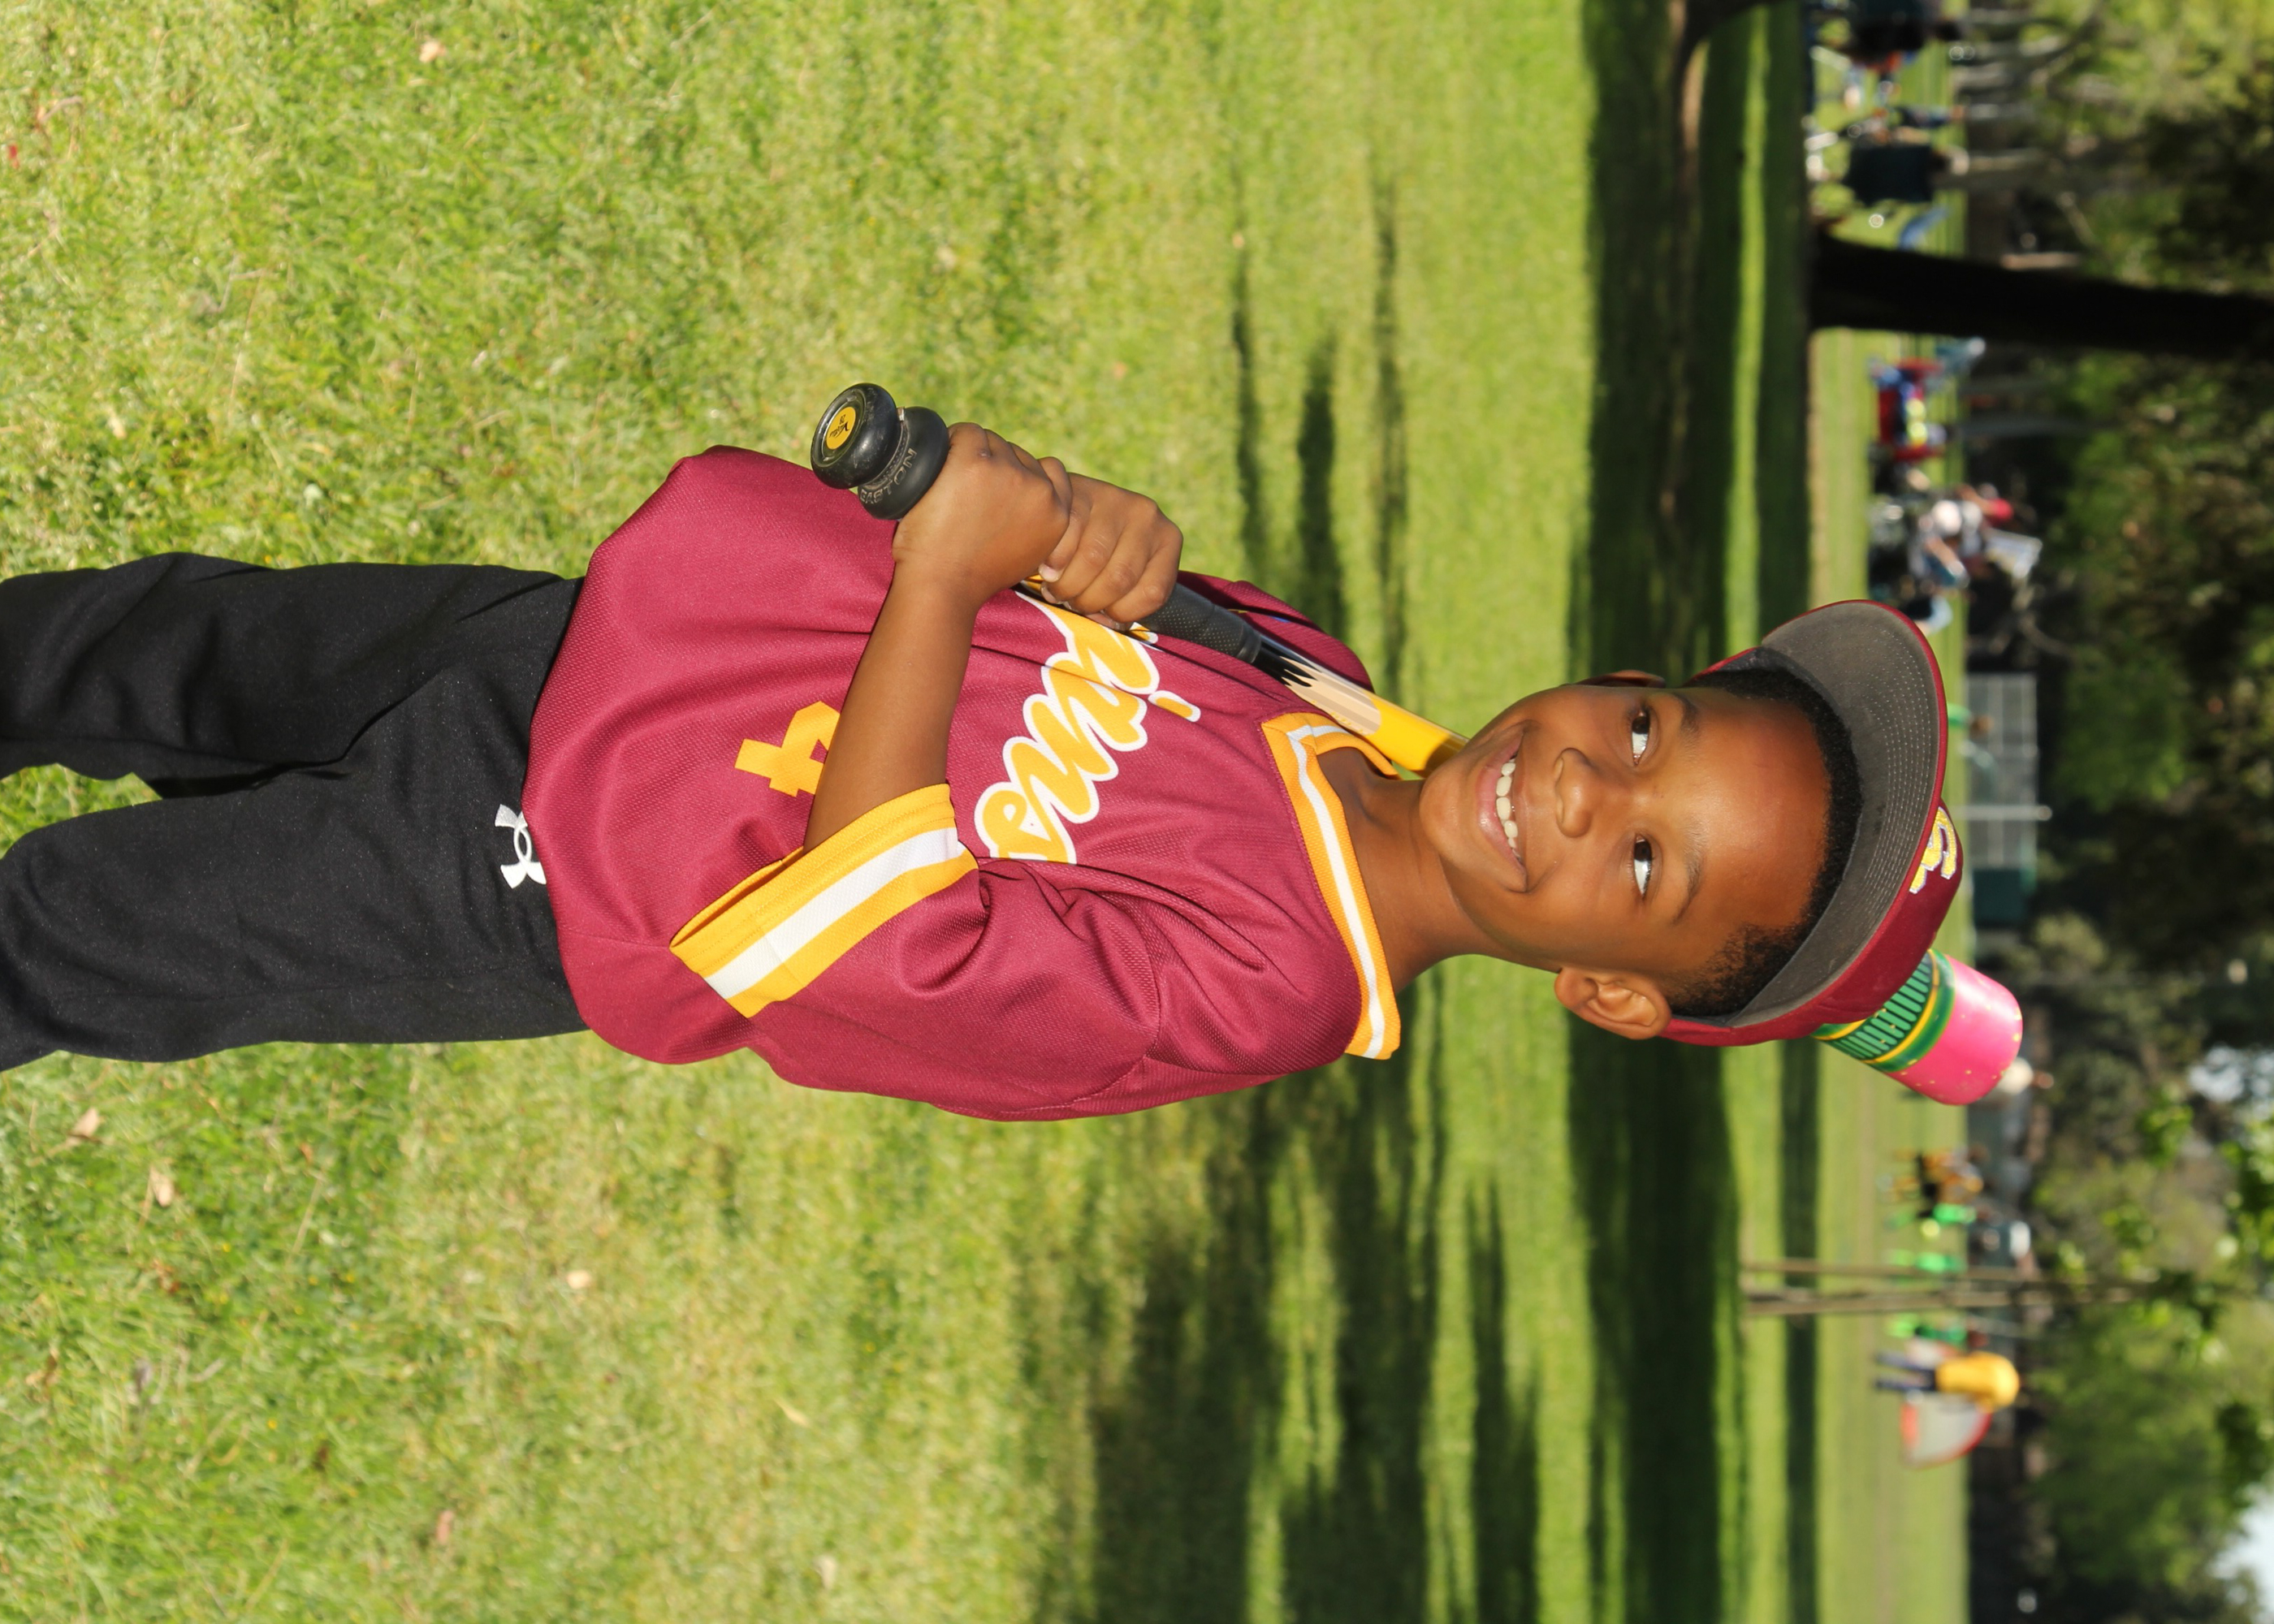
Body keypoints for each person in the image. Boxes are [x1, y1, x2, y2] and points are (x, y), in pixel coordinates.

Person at [0, 427, 1966, 1119]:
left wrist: (946, 572)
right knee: (142, 645)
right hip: (584, 646)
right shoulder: (1321, 682)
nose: (1585, 785)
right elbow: (1038, 581)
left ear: (1610, 989)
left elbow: (868, 954)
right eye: (1650, 731)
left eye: (1645, 868)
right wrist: (1078, 524)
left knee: (75, 938)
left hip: (566, 869)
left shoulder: (1266, 983)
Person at [1876, 1342, 2021, 1412]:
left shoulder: (2004, 1365)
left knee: (1916, 1367)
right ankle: (1883, 1383)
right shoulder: (2006, 1396)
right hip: (1952, 1386)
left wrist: (1955, 1354)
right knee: (1917, 1388)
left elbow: (1976, 1356)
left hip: (1951, 1368)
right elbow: (1980, 1403)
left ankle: (1885, 1358)